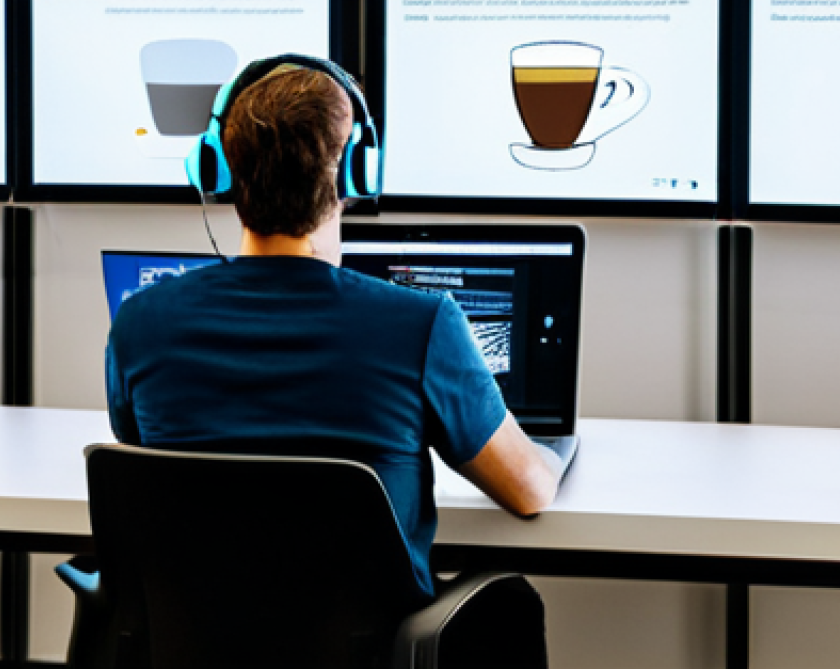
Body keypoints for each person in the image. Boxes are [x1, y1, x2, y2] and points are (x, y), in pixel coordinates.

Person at [105, 55, 562, 600]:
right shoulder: (422, 325)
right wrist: (552, 454)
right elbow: (529, 491)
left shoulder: (140, 323)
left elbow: (147, 467)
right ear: (357, 172)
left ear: (218, 170)